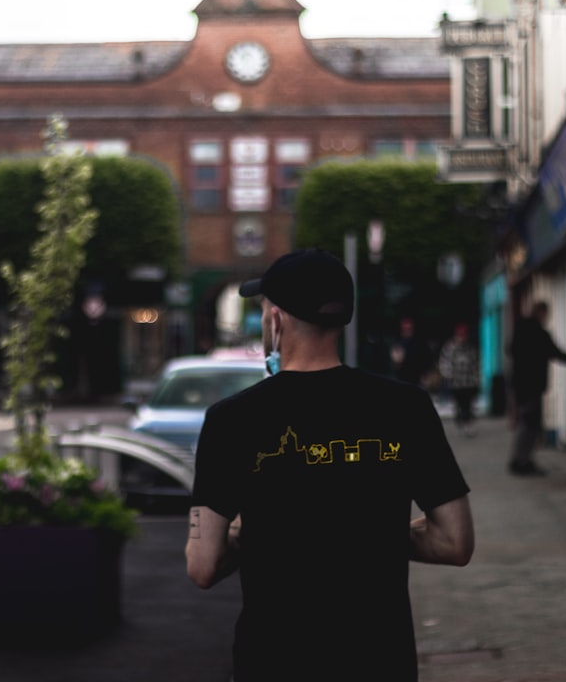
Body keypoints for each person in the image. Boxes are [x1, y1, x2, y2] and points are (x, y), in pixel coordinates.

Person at [185, 249, 474, 682]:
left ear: (276, 322)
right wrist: (364, 533)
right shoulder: (406, 406)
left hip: (274, 660)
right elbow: (455, 542)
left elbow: (203, 565)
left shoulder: (231, 420)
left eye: (264, 311)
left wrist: (271, 532)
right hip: (382, 660)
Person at [507, 300, 566, 476]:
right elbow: (554, 351)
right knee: (530, 424)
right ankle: (522, 461)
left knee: (526, 423)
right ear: (541, 313)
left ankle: (520, 459)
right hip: (532, 386)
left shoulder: (521, 330)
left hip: (520, 385)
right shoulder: (538, 333)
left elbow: (511, 350)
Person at [438, 322, 481, 436]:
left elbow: (475, 363)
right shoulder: (450, 348)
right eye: (460, 335)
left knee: (467, 404)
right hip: (456, 383)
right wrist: (448, 375)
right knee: (459, 404)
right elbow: (444, 363)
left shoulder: (470, 348)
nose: (462, 338)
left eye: (464, 335)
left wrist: (476, 378)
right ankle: (460, 421)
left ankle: (467, 423)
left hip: (468, 383)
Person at [390, 316, 433, 388]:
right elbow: (394, 364)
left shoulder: (420, 343)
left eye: (409, 328)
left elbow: (427, 360)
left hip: (416, 380)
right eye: (404, 328)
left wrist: (425, 374)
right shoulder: (397, 342)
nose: (407, 330)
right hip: (400, 379)